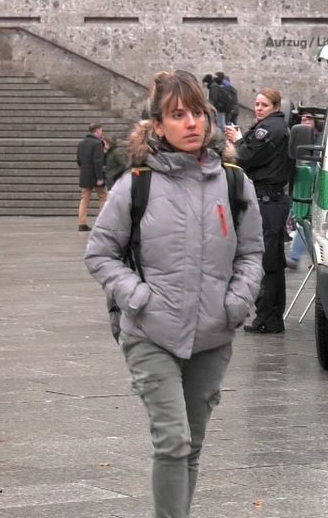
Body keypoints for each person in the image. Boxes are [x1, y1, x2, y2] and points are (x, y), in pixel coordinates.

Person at [85, 69, 263, 518]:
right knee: (173, 441)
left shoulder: (235, 183)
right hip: (151, 333)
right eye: (177, 115)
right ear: (157, 126)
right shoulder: (136, 184)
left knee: (193, 445)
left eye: (197, 113)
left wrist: (237, 302)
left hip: (212, 333)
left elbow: (252, 252)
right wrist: (137, 297)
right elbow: (100, 253)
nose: (191, 124)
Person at [225, 87, 292, 334]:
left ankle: (268, 317)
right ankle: (269, 316)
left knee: (268, 262)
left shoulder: (270, 129)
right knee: (271, 261)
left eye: (263, 104)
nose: (258, 108)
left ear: (275, 106)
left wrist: (238, 140)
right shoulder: (270, 126)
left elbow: (246, 156)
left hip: (268, 200)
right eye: (256, 104)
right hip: (267, 199)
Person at [285, 110, 324, 270]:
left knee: (306, 221)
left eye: (309, 118)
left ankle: (300, 256)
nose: (305, 120)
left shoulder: (322, 138)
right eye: (303, 118)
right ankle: (314, 257)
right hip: (305, 183)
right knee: (304, 221)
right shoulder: (299, 138)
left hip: (316, 183)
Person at [77, 122, 107, 231]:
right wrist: (100, 178)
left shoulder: (82, 143)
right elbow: (98, 162)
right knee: (103, 197)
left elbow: (79, 160)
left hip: (85, 174)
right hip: (95, 175)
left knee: (84, 199)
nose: (101, 133)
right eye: (101, 130)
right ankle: (103, 222)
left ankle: (82, 223)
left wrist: (84, 170)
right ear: (97, 130)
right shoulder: (97, 143)